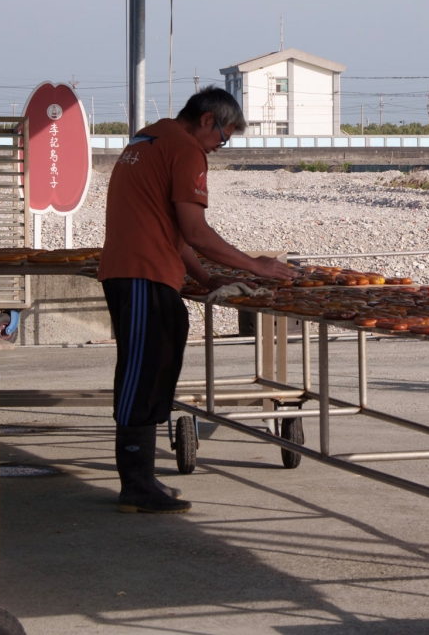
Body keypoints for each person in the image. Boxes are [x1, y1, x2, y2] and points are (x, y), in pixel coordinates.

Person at [99, 86, 297, 514]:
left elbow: (170, 229)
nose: (219, 148)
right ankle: (134, 484)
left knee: (157, 368)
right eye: (222, 138)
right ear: (207, 120)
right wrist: (256, 265)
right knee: (140, 374)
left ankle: (145, 480)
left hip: (143, 271)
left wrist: (207, 277)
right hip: (141, 274)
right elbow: (196, 231)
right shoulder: (186, 150)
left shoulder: (148, 137)